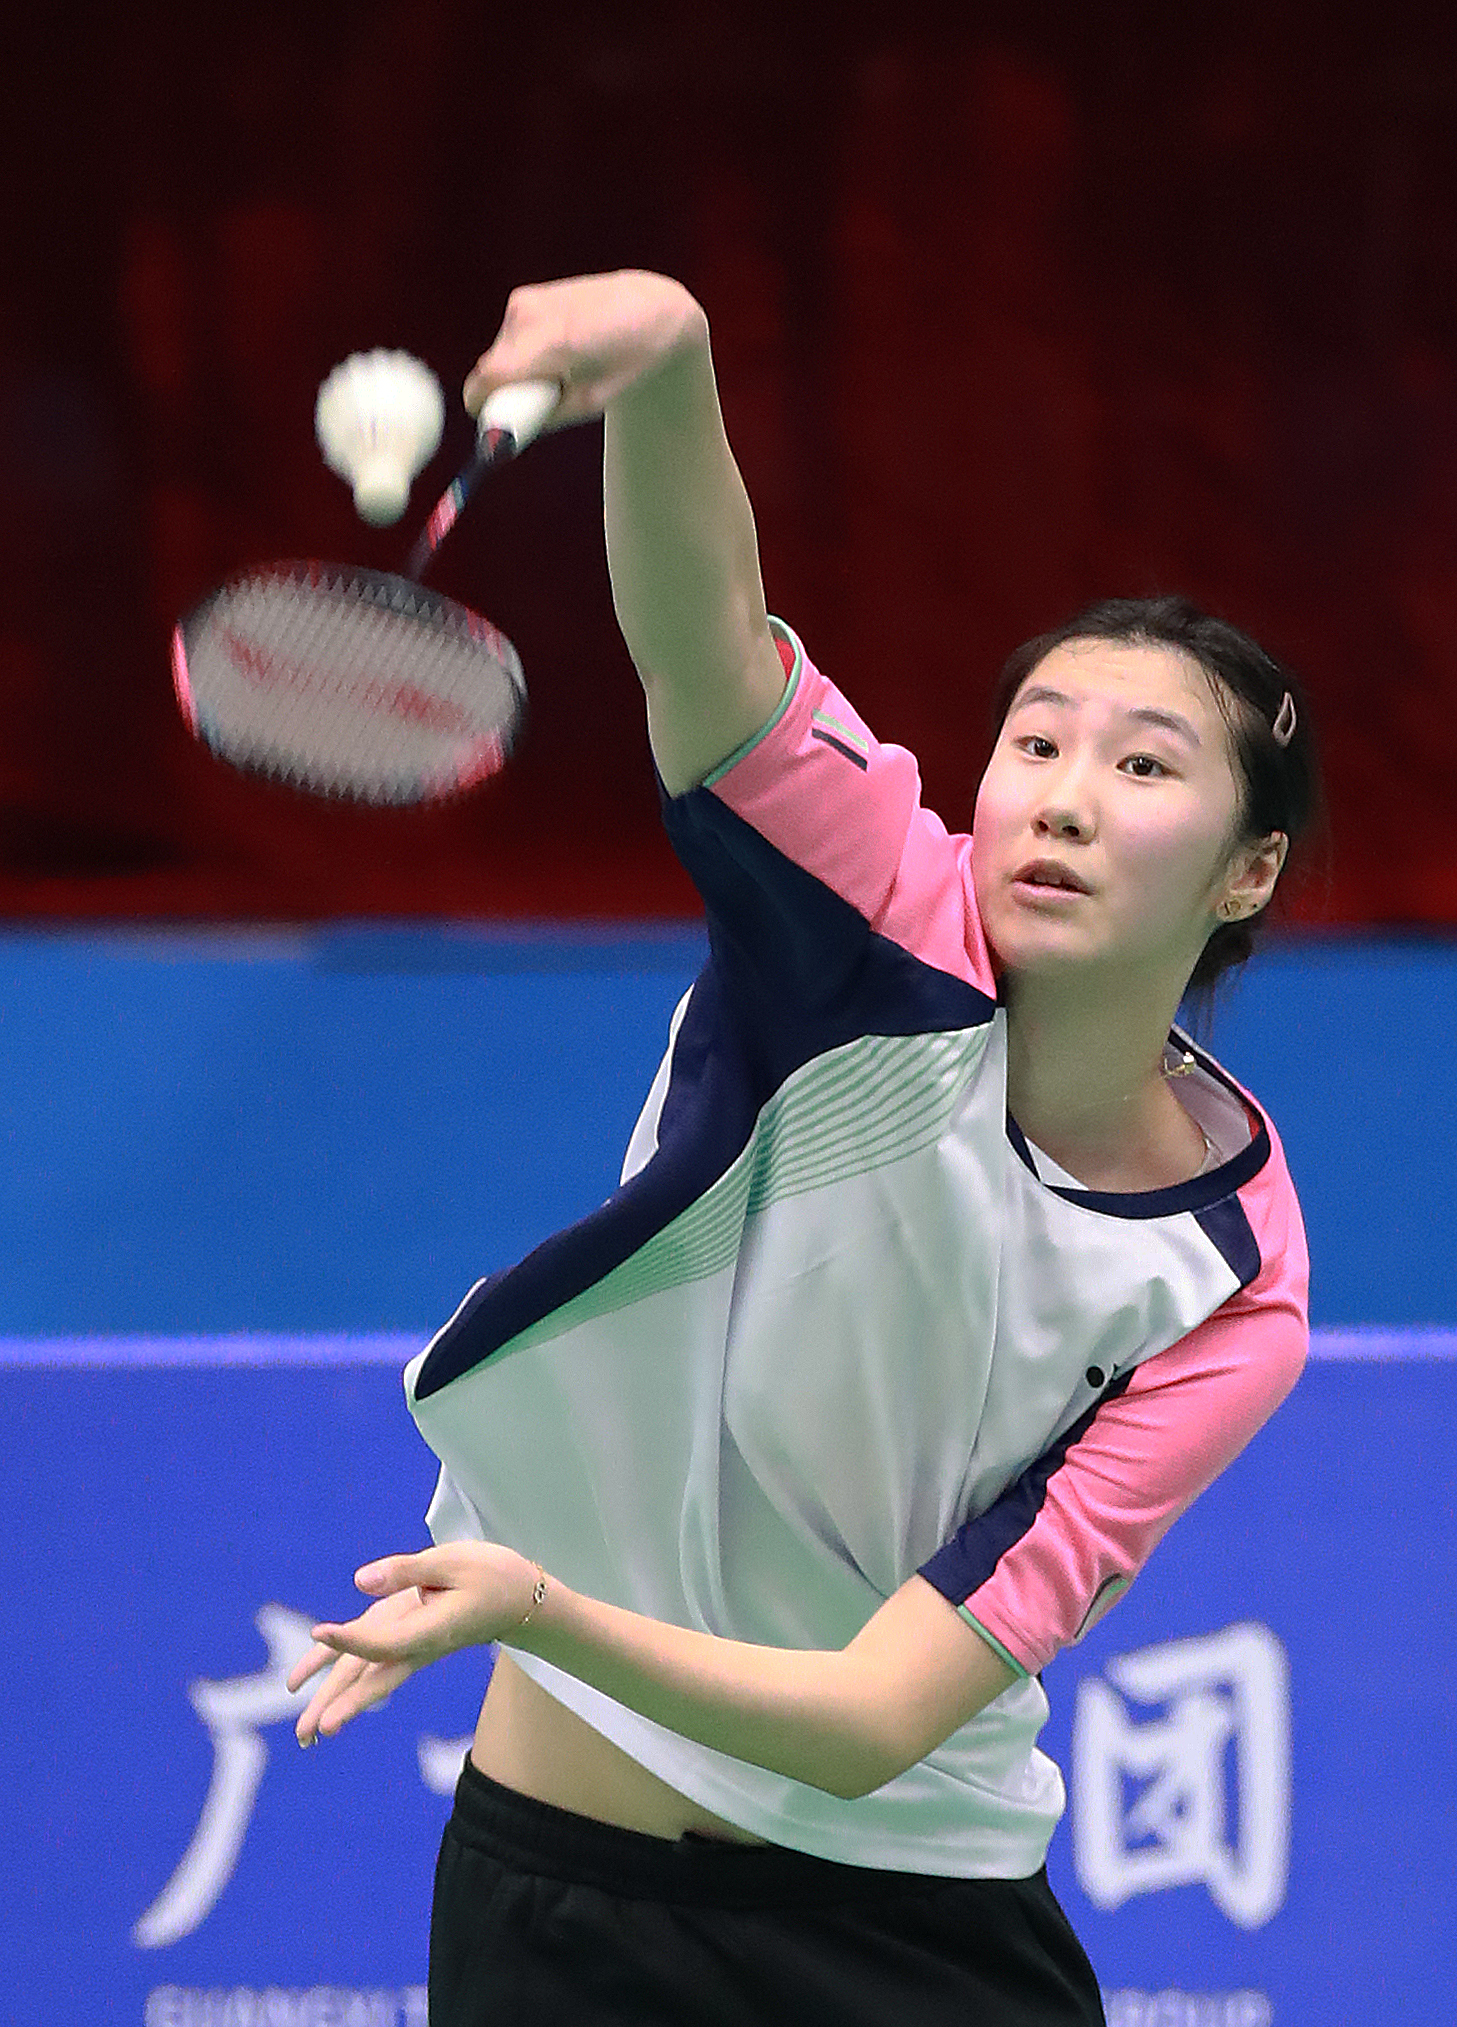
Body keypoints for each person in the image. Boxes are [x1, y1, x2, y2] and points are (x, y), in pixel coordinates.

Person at [288, 271, 1318, 2026]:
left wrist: (536, 1605)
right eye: (1034, 743)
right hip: (562, 1911)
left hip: (909, 1926)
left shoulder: (1228, 1285)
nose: (1064, 798)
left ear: (1249, 872)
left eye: (1145, 769)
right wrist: (666, 364)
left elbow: (869, 1722)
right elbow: (707, 641)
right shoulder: (872, 913)